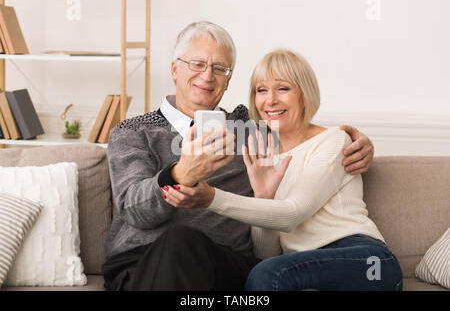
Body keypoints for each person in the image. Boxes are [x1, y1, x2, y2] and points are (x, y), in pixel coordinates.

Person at [102, 21, 376, 291]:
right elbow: (134, 211)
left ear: (228, 80)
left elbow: (306, 136)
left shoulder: (251, 130)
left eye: (219, 68)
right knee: (178, 241)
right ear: (174, 69)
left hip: (225, 266)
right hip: (140, 264)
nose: (207, 76)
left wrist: (359, 144)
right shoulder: (133, 131)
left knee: (184, 241)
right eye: (197, 64)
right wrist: (180, 174)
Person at [162, 48, 403, 291]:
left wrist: (210, 199)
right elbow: (267, 254)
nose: (270, 100)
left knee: (268, 274)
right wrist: (264, 197)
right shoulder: (264, 154)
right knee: (270, 272)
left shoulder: (335, 141)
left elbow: (291, 214)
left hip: (366, 261)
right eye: (261, 90)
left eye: (283, 88)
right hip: (301, 271)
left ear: (304, 93)